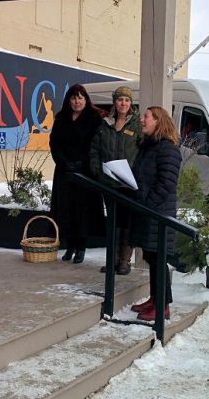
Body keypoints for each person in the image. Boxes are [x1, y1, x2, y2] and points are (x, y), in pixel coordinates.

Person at [129, 106, 181, 321]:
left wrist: (147, 204)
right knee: (151, 257)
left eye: (146, 117)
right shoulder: (148, 147)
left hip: (158, 214)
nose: (142, 120)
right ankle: (155, 299)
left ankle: (162, 306)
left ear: (158, 121)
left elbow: (166, 182)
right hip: (147, 212)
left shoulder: (168, 149)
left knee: (158, 259)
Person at [49, 84, 105, 264]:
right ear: (69, 100)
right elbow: (54, 143)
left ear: (86, 100)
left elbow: (97, 144)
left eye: (80, 97)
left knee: (83, 211)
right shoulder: (61, 118)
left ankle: (81, 247)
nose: (77, 101)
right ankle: (70, 245)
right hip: (65, 171)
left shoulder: (94, 118)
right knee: (66, 209)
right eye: (73, 98)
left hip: (86, 172)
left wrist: (83, 163)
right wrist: (64, 163)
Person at [89, 86, 140, 274]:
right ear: (115, 102)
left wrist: (137, 173)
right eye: (120, 100)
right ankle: (112, 260)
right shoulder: (105, 124)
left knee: (127, 223)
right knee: (113, 223)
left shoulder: (136, 125)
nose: (123, 104)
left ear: (130, 103)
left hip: (128, 183)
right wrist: (96, 171)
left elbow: (143, 151)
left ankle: (125, 261)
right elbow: (94, 150)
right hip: (109, 183)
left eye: (127, 100)